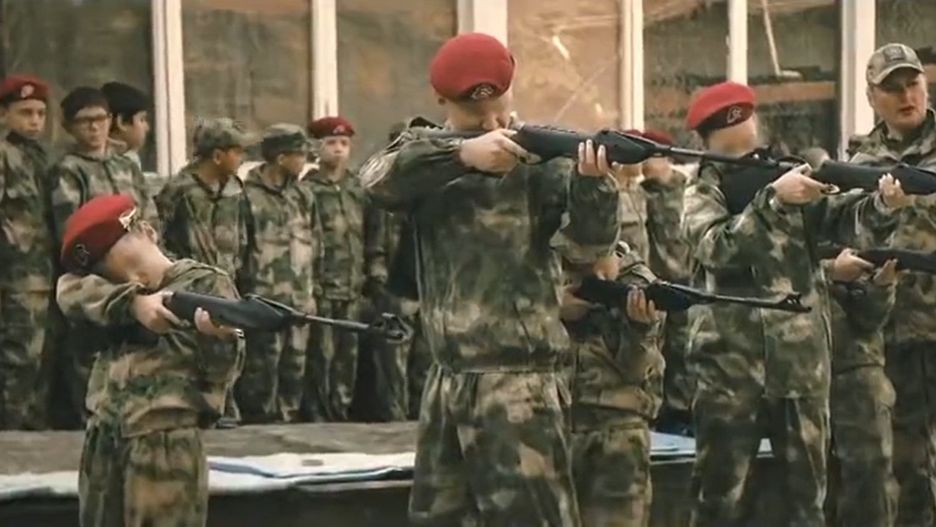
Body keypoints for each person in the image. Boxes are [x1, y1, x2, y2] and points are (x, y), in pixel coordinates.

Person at [359, 32, 621, 525]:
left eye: (496, 105)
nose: (488, 120)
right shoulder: (426, 153)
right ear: (440, 100)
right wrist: (461, 156)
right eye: (471, 111)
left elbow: (589, 250)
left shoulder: (543, 157)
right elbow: (375, 182)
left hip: (520, 378)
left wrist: (594, 187)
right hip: (447, 374)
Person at [681, 81, 907, 527]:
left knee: (806, 505)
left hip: (801, 367)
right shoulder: (701, 192)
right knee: (719, 503)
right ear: (707, 144)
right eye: (732, 148)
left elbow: (846, 222)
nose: (748, 155)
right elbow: (716, 248)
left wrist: (883, 204)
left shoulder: (791, 173)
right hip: (729, 371)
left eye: (750, 143)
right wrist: (773, 200)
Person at [55, 193, 243, 527]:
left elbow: (223, 372)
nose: (110, 268)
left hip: (164, 443)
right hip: (104, 437)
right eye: (100, 265)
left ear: (147, 231)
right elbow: (68, 290)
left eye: (114, 251)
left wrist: (218, 338)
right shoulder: (113, 293)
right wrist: (132, 303)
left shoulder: (206, 283)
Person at [849, 42, 936, 527]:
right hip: (894, 334)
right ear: (872, 98)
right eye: (893, 88)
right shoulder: (861, 164)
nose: (907, 96)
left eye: (913, 84)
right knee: (908, 469)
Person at [48, 86, 158, 427]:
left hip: (137, 271)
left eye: (100, 119)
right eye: (85, 121)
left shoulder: (126, 165)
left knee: (135, 348)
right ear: (69, 127)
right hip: (95, 275)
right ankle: (93, 420)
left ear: (111, 120)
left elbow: (148, 211)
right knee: (91, 352)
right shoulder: (69, 170)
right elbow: (69, 228)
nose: (94, 127)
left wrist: (149, 251)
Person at [155, 117, 252, 425]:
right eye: (237, 151)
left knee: (229, 346)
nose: (242, 158)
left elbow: (244, 235)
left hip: (227, 284)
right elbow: (158, 237)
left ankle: (223, 408)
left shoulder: (235, 190)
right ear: (218, 155)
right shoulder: (179, 190)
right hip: (191, 287)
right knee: (191, 352)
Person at [561, 244, 663, 526]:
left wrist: (640, 329)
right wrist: (549, 308)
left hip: (616, 430)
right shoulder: (534, 271)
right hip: (548, 424)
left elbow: (640, 370)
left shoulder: (636, 279)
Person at [237, 124, 319, 423]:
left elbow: (315, 243)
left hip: (299, 302)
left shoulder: (303, 195)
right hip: (264, 301)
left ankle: (289, 426)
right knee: (261, 374)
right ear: (281, 157)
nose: (305, 162)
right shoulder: (246, 197)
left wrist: (312, 291)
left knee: (294, 372)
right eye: (300, 155)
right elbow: (239, 250)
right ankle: (259, 428)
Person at [822, 249, 899, 527]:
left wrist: (881, 287)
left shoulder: (856, 229)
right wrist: (830, 270)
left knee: (870, 484)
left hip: (857, 369)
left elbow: (870, 317)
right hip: (793, 370)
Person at [0, 75, 56, 429]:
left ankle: (35, 435)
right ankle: (11, 436)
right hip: (15, 278)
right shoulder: (4, 156)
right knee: (18, 360)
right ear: (4, 114)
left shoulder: (42, 158)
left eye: (40, 113)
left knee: (42, 361)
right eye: (25, 112)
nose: (35, 121)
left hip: (45, 274)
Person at [301, 116, 365, 422]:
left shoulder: (357, 187)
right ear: (316, 148)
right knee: (321, 355)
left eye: (344, 143)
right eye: (331, 143)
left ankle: (342, 411)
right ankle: (319, 415)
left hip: (353, 284)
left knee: (348, 355)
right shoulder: (308, 189)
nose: (338, 149)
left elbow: (370, 234)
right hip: (323, 285)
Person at [639, 128, 695, 435]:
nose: (644, 165)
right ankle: (660, 411)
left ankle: (682, 411)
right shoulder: (642, 194)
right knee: (656, 348)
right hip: (655, 282)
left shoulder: (688, 190)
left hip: (686, 280)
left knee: (684, 348)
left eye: (649, 157)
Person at [100, 81, 150, 171]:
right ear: (121, 122)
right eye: (142, 119)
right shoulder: (106, 164)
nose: (147, 128)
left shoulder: (128, 158)